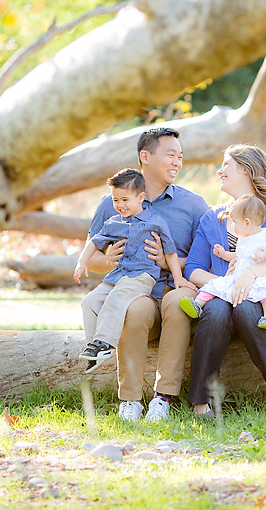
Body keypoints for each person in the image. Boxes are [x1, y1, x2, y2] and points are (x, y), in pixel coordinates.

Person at [83, 127, 208, 422]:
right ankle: (130, 399)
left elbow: (206, 264)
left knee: (177, 303)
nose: (178, 161)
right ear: (145, 157)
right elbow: (94, 257)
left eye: (180, 156)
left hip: (178, 285)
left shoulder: (192, 204)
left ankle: (163, 397)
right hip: (135, 288)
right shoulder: (113, 202)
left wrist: (167, 262)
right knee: (134, 308)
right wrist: (109, 259)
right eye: (170, 155)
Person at [184, 144, 266, 420]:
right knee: (214, 309)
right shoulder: (212, 218)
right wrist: (225, 283)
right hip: (223, 304)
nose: (219, 170)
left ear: (247, 170)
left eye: (226, 165)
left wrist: (249, 274)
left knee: (247, 309)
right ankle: (201, 401)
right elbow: (193, 269)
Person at [74, 168, 196, 371]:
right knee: (90, 301)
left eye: (124, 200)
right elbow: (94, 243)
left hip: (142, 275)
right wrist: (82, 261)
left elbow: (171, 253)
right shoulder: (113, 223)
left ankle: (105, 342)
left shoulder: (155, 223)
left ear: (141, 198)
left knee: (118, 296)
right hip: (119, 275)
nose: (120, 205)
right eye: (115, 201)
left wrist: (178, 278)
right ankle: (94, 349)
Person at [179, 194, 266, 330]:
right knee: (216, 284)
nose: (232, 226)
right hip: (238, 279)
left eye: (235, 222)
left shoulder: (264, 236)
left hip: (257, 279)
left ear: (247, 223)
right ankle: (198, 304)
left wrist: (264, 254)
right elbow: (239, 256)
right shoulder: (243, 239)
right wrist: (224, 254)